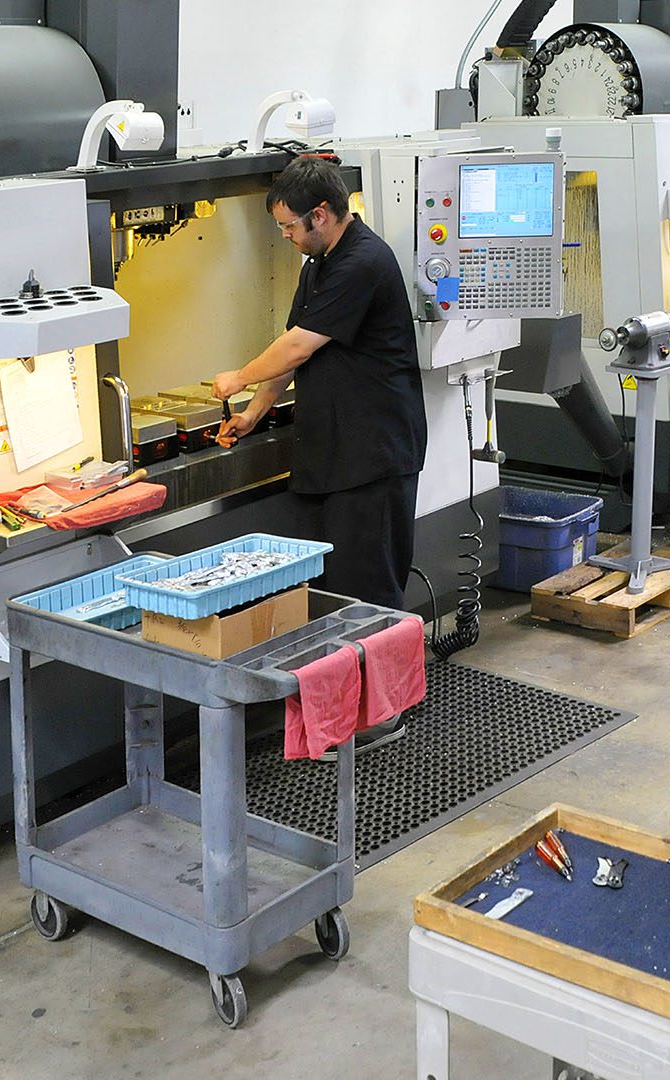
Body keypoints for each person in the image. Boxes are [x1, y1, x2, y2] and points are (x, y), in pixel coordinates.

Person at [213, 156, 427, 749]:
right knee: (333, 592)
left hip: (374, 455)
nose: (285, 238)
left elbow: (298, 344)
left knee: (372, 593)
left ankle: (384, 714)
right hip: (334, 454)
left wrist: (236, 379)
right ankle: (340, 713)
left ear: (323, 213)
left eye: (288, 226)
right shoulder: (320, 262)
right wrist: (253, 413)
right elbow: (295, 351)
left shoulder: (363, 260)